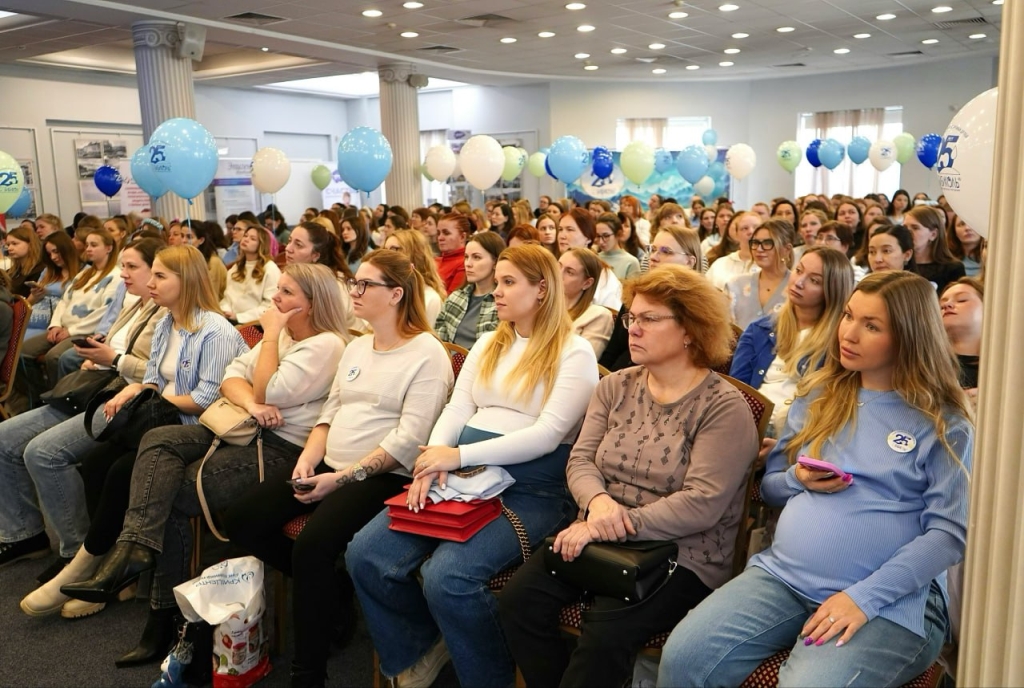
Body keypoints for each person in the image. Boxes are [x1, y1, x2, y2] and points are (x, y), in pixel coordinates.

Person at [658, 270, 973, 688]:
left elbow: (948, 535)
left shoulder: (944, 423)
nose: (849, 333)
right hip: (784, 578)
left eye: (872, 326)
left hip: (893, 601)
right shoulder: (818, 396)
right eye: (848, 316)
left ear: (909, 337)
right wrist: (798, 479)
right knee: (684, 658)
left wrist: (863, 598)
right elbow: (770, 488)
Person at [61, 264, 351, 666]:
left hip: (282, 449)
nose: (275, 298)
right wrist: (253, 403)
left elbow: (270, 389)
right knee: (158, 439)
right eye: (279, 289)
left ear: (312, 303)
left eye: (287, 293)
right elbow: (232, 378)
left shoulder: (325, 344)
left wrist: (268, 340)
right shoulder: (286, 335)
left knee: (171, 494)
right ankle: (135, 549)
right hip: (241, 425)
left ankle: (163, 617)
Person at [345, 244, 599, 688]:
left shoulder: (574, 352)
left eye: (508, 282)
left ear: (542, 289)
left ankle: (489, 677)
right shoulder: (489, 342)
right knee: (365, 553)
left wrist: (457, 456)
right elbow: (458, 407)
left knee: (447, 577)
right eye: (497, 281)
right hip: (459, 476)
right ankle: (423, 647)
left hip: (530, 489)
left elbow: (547, 435)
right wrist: (433, 460)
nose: (495, 291)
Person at [500, 264, 760, 688]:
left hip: (680, 552)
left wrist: (608, 524)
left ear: (690, 330)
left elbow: (701, 503)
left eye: (649, 319)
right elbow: (580, 462)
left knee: (604, 635)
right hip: (599, 531)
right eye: (631, 318)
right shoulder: (615, 386)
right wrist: (598, 504)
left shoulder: (723, 407)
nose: (633, 330)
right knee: (518, 602)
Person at [222, 250, 454, 688]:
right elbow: (330, 412)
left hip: (383, 476)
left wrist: (341, 479)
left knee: (312, 547)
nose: (355, 291)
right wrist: (309, 458)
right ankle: (334, 589)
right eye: (354, 282)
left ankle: (308, 674)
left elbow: (408, 440)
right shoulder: (358, 344)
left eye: (366, 284)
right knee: (242, 519)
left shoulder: (427, 353)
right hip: (329, 462)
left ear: (396, 295)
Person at [28, 245, 246, 629]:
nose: (151, 283)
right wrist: (135, 389)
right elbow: (155, 379)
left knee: (120, 470)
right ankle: (106, 564)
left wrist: (151, 396)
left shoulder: (215, 330)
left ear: (187, 281)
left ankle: (88, 567)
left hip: (197, 430)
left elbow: (205, 400)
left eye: (160, 275)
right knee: (96, 461)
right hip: (163, 419)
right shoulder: (166, 323)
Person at [0, 239, 165, 582]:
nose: (123, 273)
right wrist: (99, 355)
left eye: (132, 267)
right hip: (99, 387)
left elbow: (161, 374)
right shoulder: (135, 304)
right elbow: (117, 348)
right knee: (4, 437)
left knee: (43, 453)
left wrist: (113, 359)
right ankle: (24, 534)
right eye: (123, 266)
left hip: (127, 399)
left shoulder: (165, 313)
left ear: (157, 271)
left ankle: (78, 553)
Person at [730, 247, 855, 437]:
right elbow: (736, 391)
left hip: (798, 433)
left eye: (814, 281)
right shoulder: (759, 329)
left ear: (832, 291)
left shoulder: (840, 343)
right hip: (748, 424)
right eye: (798, 270)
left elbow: (830, 409)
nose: (799, 282)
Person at [20, 227, 122, 393]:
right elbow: (64, 301)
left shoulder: (116, 276)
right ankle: (40, 394)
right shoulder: (85, 274)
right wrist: (55, 325)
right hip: (64, 327)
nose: (88, 249)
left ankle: (59, 396)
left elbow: (104, 312)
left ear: (109, 248)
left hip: (84, 331)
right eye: (87, 245)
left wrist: (71, 331)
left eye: (94, 245)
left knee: (54, 357)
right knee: (22, 352)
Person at [601, 226, 703, 372]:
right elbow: (612, 352)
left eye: (666, 251)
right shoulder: (637, 294)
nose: (654, 257)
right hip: (619, 376)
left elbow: (699, 361)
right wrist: (603, 381)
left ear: (689, 262)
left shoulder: (698, 306)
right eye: (653, 249)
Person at [283, 222, 359, 332]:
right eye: (289, 241)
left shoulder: (334, 286)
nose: (288, 248)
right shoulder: (297, 279)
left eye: (298, 245)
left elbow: (330, 332)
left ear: (315, 255)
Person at [434, 232, 505, 349]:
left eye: (476, 257)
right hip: (449, 358)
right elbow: (439, 339)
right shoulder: (455, 298)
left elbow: (497, 347)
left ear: (495, 262)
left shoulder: (502, 303)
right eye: (466, 257)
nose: (468, 264)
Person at [724, 220, 794, 330]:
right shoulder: (735, 285)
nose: (759, 249)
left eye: (767, 243)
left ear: (786, 249)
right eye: (755, 243)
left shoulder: (797, 287)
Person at [219, 223, 281, 323]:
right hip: (230, 319)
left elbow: (270, 305)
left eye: (253, 239)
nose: (246, 239)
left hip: (254, 323)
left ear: (261, 245)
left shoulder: (270, 268)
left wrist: (239, 317)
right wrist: (225, 311)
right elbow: (227, 297)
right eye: (246, 236)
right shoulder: (236, 267)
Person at [21, 231, 75, 341]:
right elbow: (28, 303)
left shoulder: (84, 272)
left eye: (56, 252)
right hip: (30, 320)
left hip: (53, 324)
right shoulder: (48, 271)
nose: (53, 257)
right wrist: (35, 295)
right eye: (49, 254)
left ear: (67, 249)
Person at [560, 248, 614, 358]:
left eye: (569, 272)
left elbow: (582, 361)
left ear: (587, 283)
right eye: (558, 266)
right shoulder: (541, 305)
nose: (558, 274)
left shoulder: (599, 315)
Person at [385, 229, 447, 324]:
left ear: (414, 255)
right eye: (385, 250)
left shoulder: (430, 299)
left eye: (395, 249)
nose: (385, 256)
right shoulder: (383, 289)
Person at [940, 277, 983, 404]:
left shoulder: (1007, 367)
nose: (947, 305)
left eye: (962, 300)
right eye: (941, 305)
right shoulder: (926, 364)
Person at [904, 206, 965, 294]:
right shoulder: (901, 264)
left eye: (915, 228)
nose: (907, 232)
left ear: (933, 234)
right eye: (905, 228)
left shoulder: (953, 268)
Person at [705, 211, 762, 290]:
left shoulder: (773, 264)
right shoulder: (719, 264)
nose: (751, 232)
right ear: (737, 234)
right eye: (745, 228)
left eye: (756, 228)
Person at [594, 213, 640, 280]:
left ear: (618, 234)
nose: (601, 241)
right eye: (598, 236)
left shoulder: (631, 262)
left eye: (606, 236)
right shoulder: (594, 259)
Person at [4, 226, 45, 297]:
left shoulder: (40, 270)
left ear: (30, 244)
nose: (9, 248)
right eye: (8, 245)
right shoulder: (10, 272)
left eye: (14, 244)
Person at [435, 213, 469, 293]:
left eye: (446, 233)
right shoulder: (435, 260)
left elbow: (451, 298)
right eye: (438, 233)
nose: (440, 238)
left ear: (462, 237)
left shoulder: (465, 263)